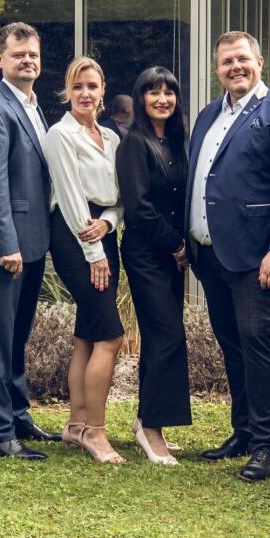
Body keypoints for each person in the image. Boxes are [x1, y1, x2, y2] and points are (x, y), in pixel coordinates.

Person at [186, 30, 270, 482]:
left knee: (257, 344)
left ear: (259, 62)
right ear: (217, 69)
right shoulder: (208, 114)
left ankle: (264, 443)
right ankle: (242, 431)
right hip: (210, 254)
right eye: (226, 62)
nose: (234, 67)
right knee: (231, 344)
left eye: (242, 59)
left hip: (258, 255)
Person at [0, 22, 60, 460]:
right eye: (18, 54)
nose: (27, 61)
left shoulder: (34, 107)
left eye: (33, 55)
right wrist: (7, 244)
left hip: (34, 242)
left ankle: (19, 414)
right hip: (7, 248)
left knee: (18, 336)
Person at [43, 59, 127, 464]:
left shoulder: (111, 137)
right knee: (110, 336)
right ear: (68, 91)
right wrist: (94, 253)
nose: (85, 94)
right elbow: (70, 195)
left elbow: (120, 196)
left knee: (88, 334)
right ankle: (96, 431)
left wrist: (109, 223)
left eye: (92, 86)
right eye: (77, 87)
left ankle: (76, 425)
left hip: (103, 231)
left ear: (103, 89)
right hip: (74, 237)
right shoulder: (60, 135)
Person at [117, 66, 192, 466]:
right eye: (153, 93)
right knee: (168, 336)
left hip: (171, 256)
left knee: (160, 336)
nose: (162, 99)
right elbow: (139, 208)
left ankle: (146, 417)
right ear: (141, 98)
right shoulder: (135, 144)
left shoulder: (178, 142)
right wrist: (177, 245)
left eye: (169, 93)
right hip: (147, 252)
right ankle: (151, 430)